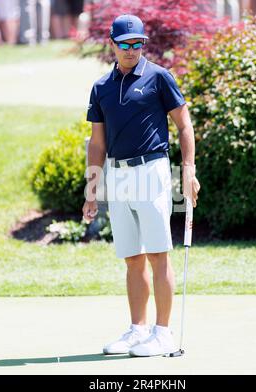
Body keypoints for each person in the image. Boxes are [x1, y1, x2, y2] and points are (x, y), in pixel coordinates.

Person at [83, 14, 200, 357]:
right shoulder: (101, 87)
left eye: (138, 43)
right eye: (125, 44)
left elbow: (184, 126)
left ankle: (162, 333)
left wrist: (188, 170)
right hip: (117, 175)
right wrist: (92, 190)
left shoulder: (159, 78)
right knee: (132, 258)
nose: (132, 49)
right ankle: (138, 330)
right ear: (113, 44)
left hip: (152, 171)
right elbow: (96, 143)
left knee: (157, 254)